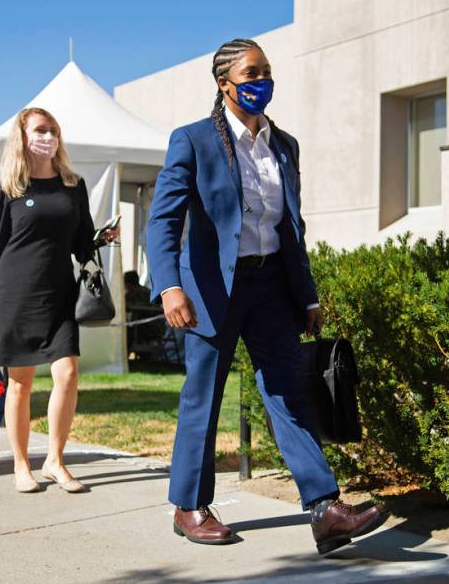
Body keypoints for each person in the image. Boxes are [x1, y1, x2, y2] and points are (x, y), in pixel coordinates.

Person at [146, 38, 388, 554]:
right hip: (211, 290)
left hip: (272, 287)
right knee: (203, 398)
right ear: (224, 84)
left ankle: (325, 509)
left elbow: (291, 227)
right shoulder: (193, 141)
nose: (261, 82)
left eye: (266, 72)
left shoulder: (284, 145)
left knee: (287, 393)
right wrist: (170, 286)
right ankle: (189, 506)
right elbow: (164, 222)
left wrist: (307, 294)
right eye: (251, 73)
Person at [0, 107, 118, 494]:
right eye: (40, 129)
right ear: (22, 137)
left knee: (67, 373)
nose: (48, 135)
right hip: (15, 291)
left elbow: (80, 241)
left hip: (59, 292)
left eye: (53, 129)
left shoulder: (73, 184)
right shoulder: (8, 186)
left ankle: (55, 459)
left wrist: (101, 240)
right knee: (19, 383)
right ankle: (22, 465)